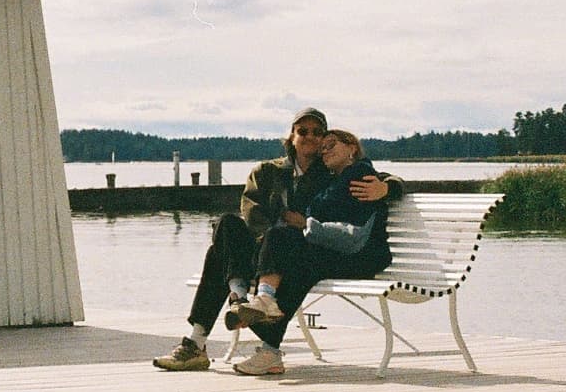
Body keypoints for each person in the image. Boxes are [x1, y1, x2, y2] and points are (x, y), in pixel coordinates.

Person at [153, 111, 393, 371]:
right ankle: (236, 304)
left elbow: (377, 176)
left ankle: (203, 340)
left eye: (317, 132)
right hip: (267, 247)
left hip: (298, 249)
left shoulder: (331, 172)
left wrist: (388, 188)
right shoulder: (267, 171)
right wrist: (265, 245)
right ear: (292, 136)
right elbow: (251, 214)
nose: (310, 137)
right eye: (303, 131)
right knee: (227, 224)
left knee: (230, 256)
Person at [226, 128, 392, 376]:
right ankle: (269, 343)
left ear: (352, 147)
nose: (325, 151)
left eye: (331, 144)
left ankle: (265, 306)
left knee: (283, 240)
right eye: (322, 149)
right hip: (340, 251)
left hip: (363, 256)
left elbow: (351, 231)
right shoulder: (337, 178)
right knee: (296, 263)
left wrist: (307, 224)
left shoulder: (360, 174)